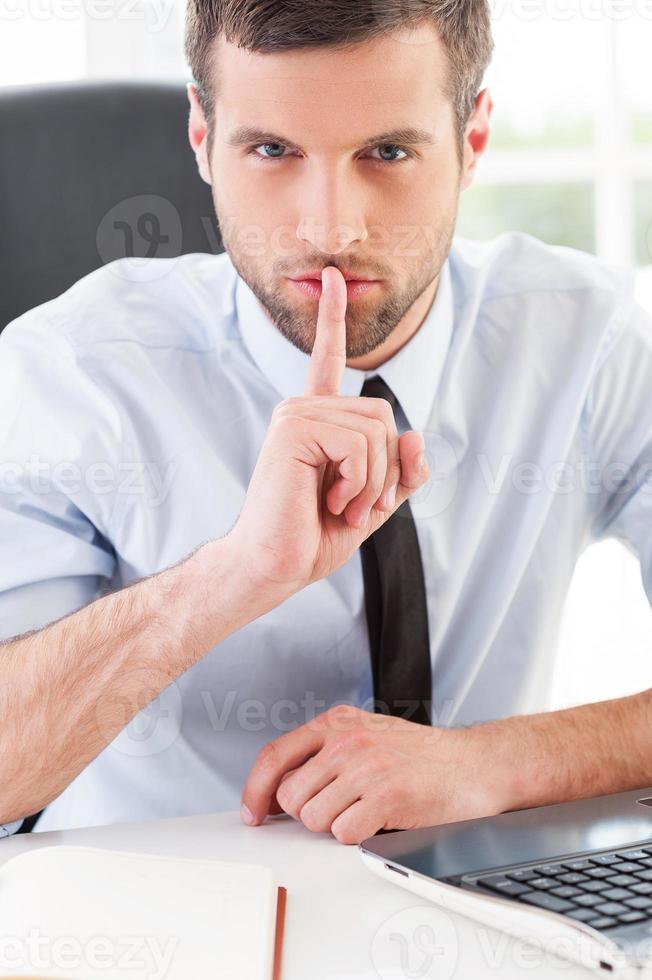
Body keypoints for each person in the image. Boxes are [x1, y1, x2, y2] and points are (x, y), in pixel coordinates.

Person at [1, 0, 651, 846]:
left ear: (473, 140)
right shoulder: (74, 371)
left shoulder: (584, 342)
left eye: (388, 151)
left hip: (482, 926)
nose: (331, 227)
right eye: (272, 150)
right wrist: (234, 574)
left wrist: (489, 763)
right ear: (202, 138)